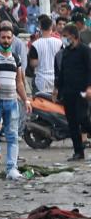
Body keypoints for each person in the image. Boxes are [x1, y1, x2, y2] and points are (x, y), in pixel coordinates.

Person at [0, 26, 32, 178]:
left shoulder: (16, 58)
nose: (6, 40)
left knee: (12, 135)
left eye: (9, 38)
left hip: (11, 102)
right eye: (3, 37)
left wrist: (26, 100)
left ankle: (12, 168)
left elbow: (19, 82)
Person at [54, 24, 91, 161]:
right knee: (72, 122)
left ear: (73, 36)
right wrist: (57, 88)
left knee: (83, 118)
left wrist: (89, 87)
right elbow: (62, 72)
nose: (64, 38)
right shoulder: (66, 52)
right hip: (68, 92)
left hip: (81, 92)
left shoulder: (85, 50)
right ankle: (78, 152)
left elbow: (89, 70)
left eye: (65, 36)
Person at [29, 15, 62, 94]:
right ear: (51, 27)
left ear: (40, 27)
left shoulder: (35, 44)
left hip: (41, 80)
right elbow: (62, 61)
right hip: (56, 79)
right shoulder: (59, 42)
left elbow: (33, 64)